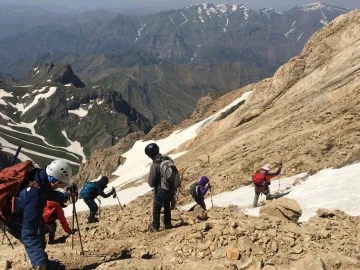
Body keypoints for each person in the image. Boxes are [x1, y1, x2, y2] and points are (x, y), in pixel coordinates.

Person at [4, 159, 72, 270]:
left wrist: (64, 197)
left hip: (16, 214)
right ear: (55, 181)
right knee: (36, 241)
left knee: (39, 242)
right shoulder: (35, 197)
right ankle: (42, 264)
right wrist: (39, 263)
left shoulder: (38, 177)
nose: (62, 186)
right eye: (62, 183)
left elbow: (48, 192)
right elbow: (28, 234)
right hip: (14, 222)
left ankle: (47, 264)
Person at [145, 143, 176, 232]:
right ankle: (168, 224)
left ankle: (155, 226)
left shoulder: (155, 165)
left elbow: (151, 183)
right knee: (167, 205)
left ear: (150, 154)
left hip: (161, 190)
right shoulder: (168, 159)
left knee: (156, 208)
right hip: (171, 188)